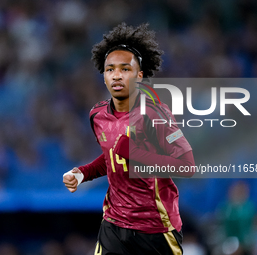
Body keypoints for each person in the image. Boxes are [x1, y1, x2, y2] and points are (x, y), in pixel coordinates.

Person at [63, 23, 195, 255]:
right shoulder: (98, 115)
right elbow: (112, 156)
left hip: (156, 228)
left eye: (125, 69)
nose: (117, 75)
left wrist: (136, 153)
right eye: (110, 69)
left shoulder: (156, 114)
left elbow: (187, 165)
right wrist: (83, 172)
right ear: (103, 76)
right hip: (113, 224)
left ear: (139, 75)